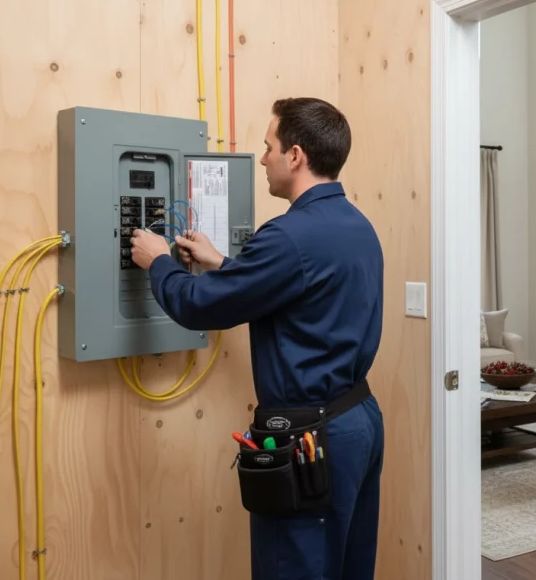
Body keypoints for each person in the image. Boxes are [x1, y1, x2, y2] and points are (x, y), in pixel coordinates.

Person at [129, 97, 385, 580]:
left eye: (268, 146)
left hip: (311, 437)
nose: (262, 157)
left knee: (295, 566)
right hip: (358, 421)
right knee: (348, 566)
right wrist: (224, 265)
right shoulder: (357, 226)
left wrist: (158, 261)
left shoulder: (288, 235)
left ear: (295, 155)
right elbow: (302, 296)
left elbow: (198, 307)